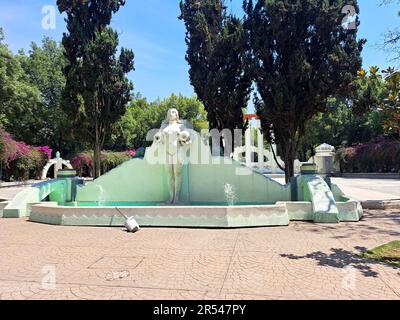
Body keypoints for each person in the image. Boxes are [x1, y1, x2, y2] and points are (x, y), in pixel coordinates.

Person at [154, 109, 191, 203]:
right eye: (169, 112)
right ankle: (171, 197)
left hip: (178, 151)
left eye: (173, 112)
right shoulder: (163, 126)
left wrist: (184, 138)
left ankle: (176, 198)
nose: (171, 114)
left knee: (177, 173)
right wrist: (158, 138)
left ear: (177, 115)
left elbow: (187, 137)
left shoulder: (181, 125)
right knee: (169, 175)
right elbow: (158, 137)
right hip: (167, 152)